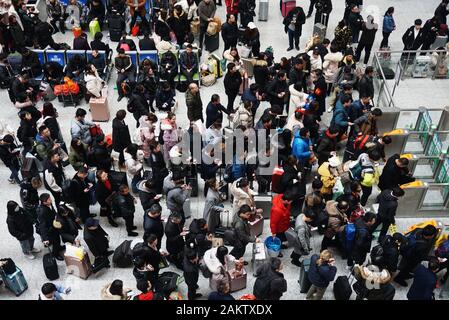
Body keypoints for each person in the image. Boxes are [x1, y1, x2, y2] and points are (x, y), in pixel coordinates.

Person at [37, 193, 64, 261]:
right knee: (55, 241)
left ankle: (59, 247)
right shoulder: (42, 212)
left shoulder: (49, 204)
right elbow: (42, 225)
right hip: (50, 230)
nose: (50, 200)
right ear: (44, 202)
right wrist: (45, 238)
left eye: (50, 198)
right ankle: (56, 253)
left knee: (58, 239)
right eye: (49, 199)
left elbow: (53, 212)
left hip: (53, 225)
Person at [270, 193, 294, 258]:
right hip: (279, 228)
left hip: (284, 225)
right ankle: (277, 251)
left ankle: (280, 245)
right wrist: (274, 232)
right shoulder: (277, 210)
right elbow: (273, 222)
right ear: (286, 200)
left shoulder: (284, 200)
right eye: (290, 201)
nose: (291, 202)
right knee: (278, 239)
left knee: (282, 237)